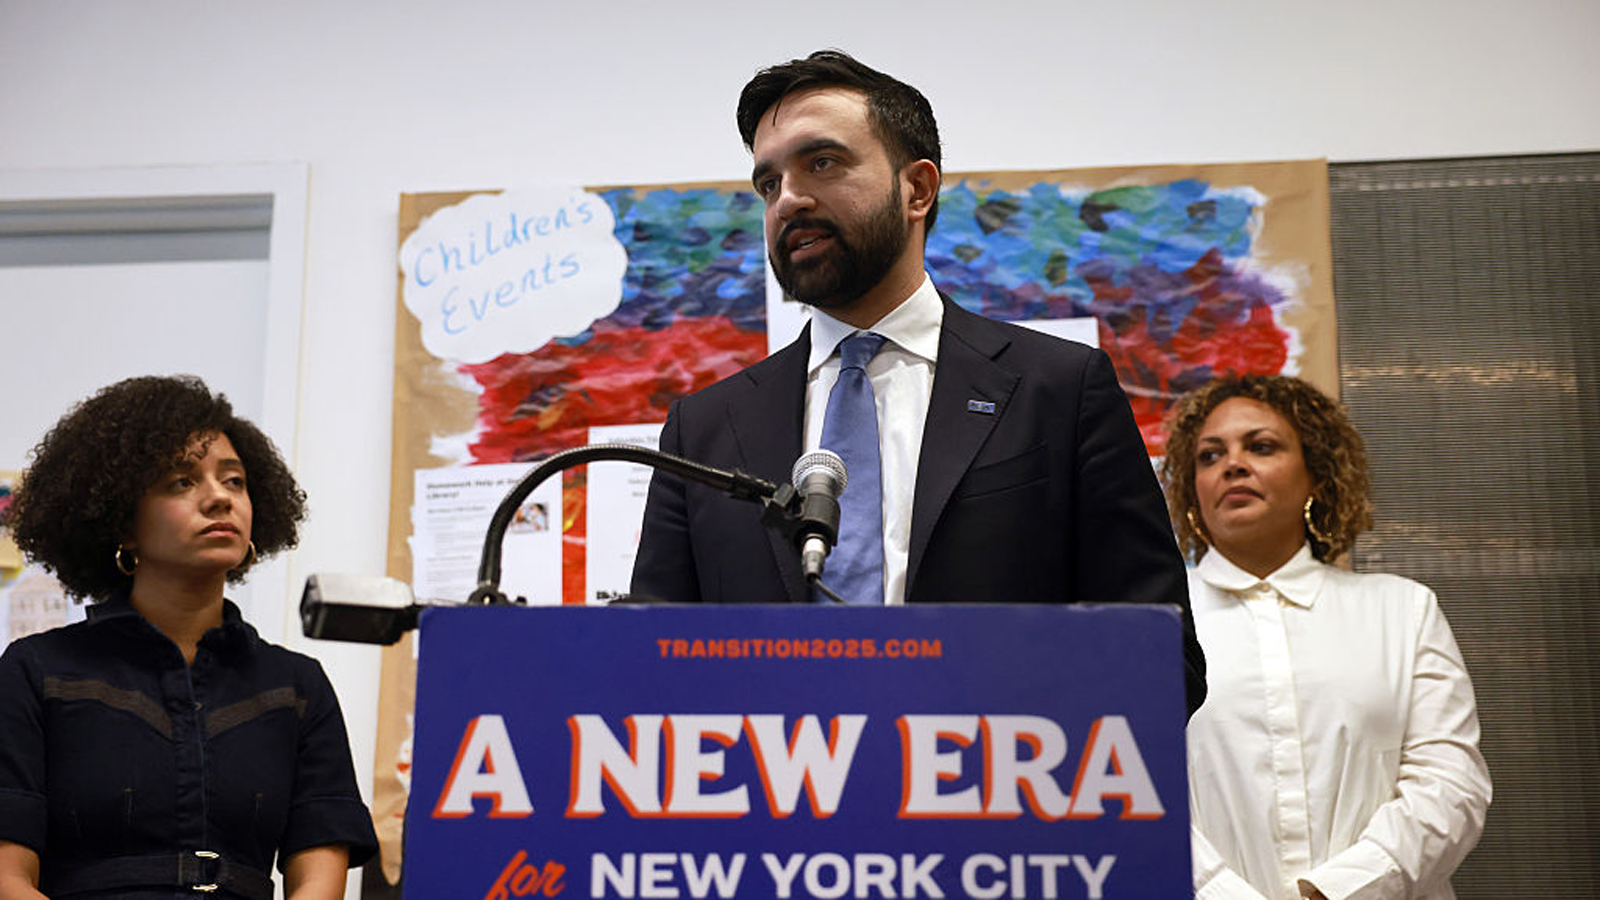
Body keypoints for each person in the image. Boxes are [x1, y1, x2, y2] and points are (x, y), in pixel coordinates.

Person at [630, 49, 1205, 715]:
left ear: (918, 189)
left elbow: (1160, 660)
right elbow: (653, 677)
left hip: (998, 802)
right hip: (773, 807)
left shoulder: (1059, 389)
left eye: (822, 162)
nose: (789, 199)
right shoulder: (703, 429)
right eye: (768, 183)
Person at [0, 376, 377, 899]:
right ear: (122, 523)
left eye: (235, 481)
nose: (219, 498)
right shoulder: (36, 671)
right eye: (182, 482)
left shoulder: (296, 686)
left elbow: (319, 879)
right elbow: (6, 878)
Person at [1163, 375, 1490, 900]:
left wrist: (1337, 891)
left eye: (1262, 447)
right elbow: (1130, 789)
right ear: (1191, 491)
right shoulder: (1156, 621)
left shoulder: (1402, 609)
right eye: (1209, 456)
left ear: (1318, 475)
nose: (1233, 464)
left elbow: (1451, 785)